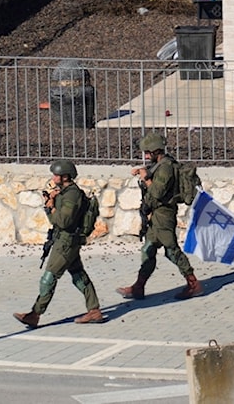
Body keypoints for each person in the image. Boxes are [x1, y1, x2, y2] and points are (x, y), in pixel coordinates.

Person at [14, 159, 105, 327]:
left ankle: (35, 314)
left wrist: (51, 207)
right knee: (78, 275)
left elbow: (63, 221)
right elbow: (58, 220)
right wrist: (52, 202)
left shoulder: (72, 194)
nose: (53, 177)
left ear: (65, 176)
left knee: (49, 278)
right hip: (66, 240)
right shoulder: (64, 192)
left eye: (56, 174)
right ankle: (94, 310)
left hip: (66, 241)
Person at [116, 132, 203, 300]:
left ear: (157, 151)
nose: (146, 156)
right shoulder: (160, 164)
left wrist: (144, 178)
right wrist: (143, 171)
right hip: (155, 215)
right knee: (148, 249)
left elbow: (156, 192)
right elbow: (153, 174)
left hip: (164, 214)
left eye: (148, 153)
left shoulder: (166, 167)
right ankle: (138, 287)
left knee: (172, 250)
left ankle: (193, 284)